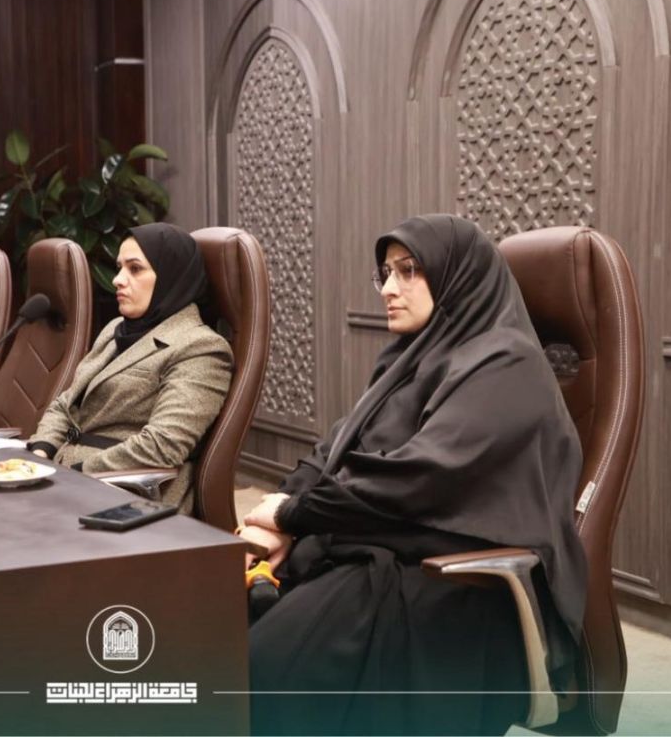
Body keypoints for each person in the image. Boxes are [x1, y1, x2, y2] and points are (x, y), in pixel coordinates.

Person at [241, 214, 587, 735]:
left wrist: (295, 515)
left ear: (456, 277)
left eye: (409, 270)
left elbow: (419, 479)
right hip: (377, 544)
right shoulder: (408, 357)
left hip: (449, 580)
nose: (389, 288)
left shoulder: (508, 362)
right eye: (385, 273)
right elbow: (334, 450)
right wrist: (275, 516)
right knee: (218, 632)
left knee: (263, 669)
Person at [26, 223, 233, 512]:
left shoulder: (200, 347)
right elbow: (66, 404)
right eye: (119, 268)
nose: (118, 280)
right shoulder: (116, 329)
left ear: (171, 276)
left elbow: (162, 447)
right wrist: (40, 452)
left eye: (135, 269)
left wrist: (73, 472)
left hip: (126, 497)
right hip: (66, 478)